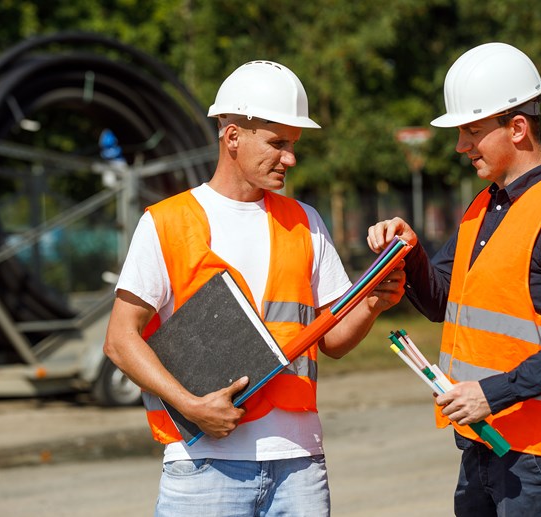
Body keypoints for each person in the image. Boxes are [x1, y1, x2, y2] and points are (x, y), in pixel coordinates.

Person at [104, 59, 406, 516]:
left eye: (293, 145)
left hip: (298, 465)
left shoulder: (306, 221)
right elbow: (119, 340)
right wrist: (191, 406)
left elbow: (333, 342)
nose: (290, 158)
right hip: (204, 466)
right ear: (232, 137)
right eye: (277, 143)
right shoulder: (166, 223)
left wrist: (373, 304)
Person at [367, 42, 541, 516]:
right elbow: (441, 301)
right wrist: (409, 253)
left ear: (517, 128)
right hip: (485, 440)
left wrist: (491, 394)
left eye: (472, 131)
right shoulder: (485, 205)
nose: (460, 146)